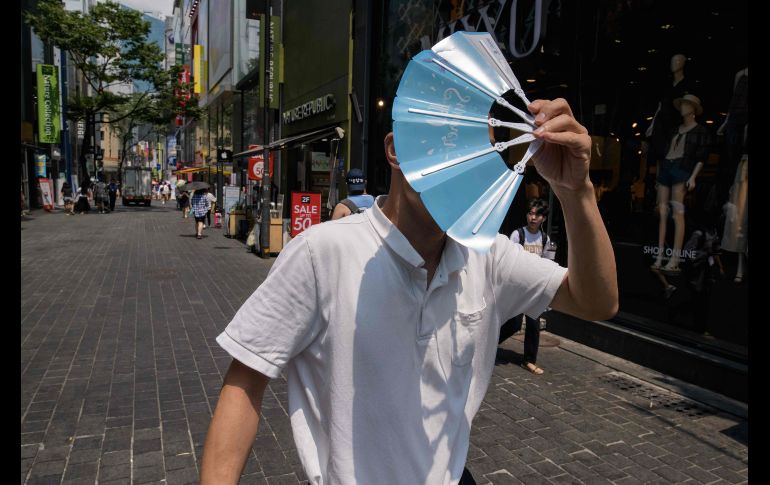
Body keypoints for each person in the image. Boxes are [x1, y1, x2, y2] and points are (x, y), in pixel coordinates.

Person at [200, 98, 618, 484]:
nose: (461, 164)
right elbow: (245, 381)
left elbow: (595, 301)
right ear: (396, 149)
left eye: (478, 151)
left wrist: (575, 192)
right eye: (446, 143)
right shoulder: (322, 252)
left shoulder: (487, 254)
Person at [650, 94, 710, 274]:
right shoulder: (675, 130)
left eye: (687, 104)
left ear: (693, 109)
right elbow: (665, 152)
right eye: (682, 104)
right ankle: (660, 255)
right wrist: (659, 176)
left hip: (682, 169)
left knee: (677, 214)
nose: (683, 107)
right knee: (662, 213)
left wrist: (693, 177)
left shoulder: (700, 131)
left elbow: (701, 157)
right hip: (667, 167)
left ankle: (675, 258)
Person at [498, 198, 554, 375]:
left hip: (535, 287)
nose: (533, 217)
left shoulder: (545, 239)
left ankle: (529, 360)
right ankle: (489, 344)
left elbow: (548, 264)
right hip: (517, 286)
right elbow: (509, 260)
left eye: (537, 214)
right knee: (514, 323)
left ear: (543, 218)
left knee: (533, 323)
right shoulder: (518, 234)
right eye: (530, 213)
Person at [645, 53, 692, 165]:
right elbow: (660, 106)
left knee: (673, 152)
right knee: (659, 152)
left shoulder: (687, 85)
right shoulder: (667, 84)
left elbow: (689, 108)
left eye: (677, 61)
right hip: (661, 123)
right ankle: (658, 180)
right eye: (672, 61)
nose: (673, 64)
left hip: (676, 123)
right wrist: (652, 124)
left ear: (683, 63)